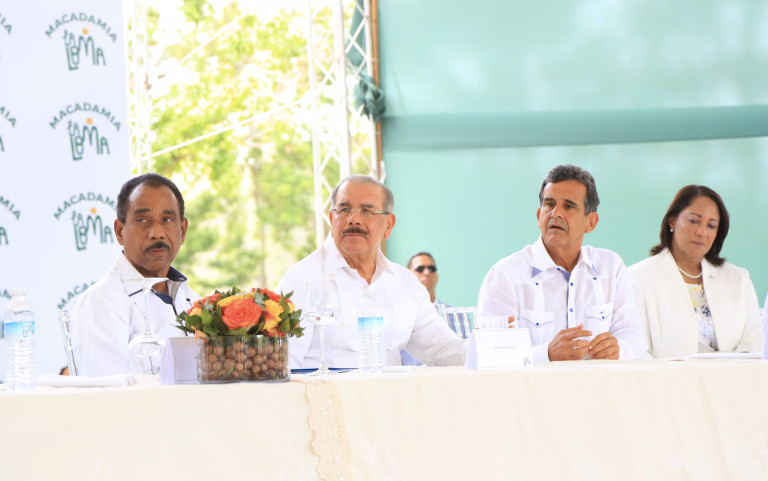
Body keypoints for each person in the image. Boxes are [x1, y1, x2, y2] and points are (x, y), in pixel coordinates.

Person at [276, 174, 466, 369]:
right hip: (326, 389)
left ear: (388, 225)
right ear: (332, 219)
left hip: (389, 389)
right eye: (344, 209)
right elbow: (282, 364)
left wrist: (482, 347)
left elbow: (440, 347)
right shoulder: (301, 279)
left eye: (367, 211)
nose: (353, 219)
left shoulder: (405, 282)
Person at [477, 164, 645, 363]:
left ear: (591, 222)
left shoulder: (610, 267)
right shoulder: (505, 275)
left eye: (569, 206)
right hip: (533, 384)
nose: (556, 213)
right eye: (549, 204)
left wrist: (618, 350)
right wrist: (546, 354)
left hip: (598, 383)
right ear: (539, 216)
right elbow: (489, 353)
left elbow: (634, 336)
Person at [71, 173, 199, 376]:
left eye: (167, 219)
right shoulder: (101, 303)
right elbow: (111, 391)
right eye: (142, 220)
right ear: (120, 231)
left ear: (182, 231)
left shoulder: (194, 301)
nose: (157, 233)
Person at [628, 185, 762, 358]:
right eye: (694, 221)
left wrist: (723, 371)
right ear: (672, 221)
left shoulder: (739, 278)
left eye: (711, 225)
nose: (702, 232)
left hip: (733, 375)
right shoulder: (637, 277)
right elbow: (637, 349)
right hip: (665, 375)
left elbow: (755, 342)